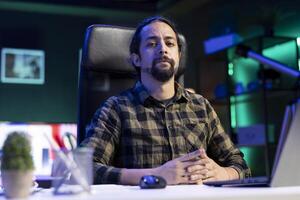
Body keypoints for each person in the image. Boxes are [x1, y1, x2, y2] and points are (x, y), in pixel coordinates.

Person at [81, 16, 251, 185]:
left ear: (179, 55)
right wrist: (155, 175)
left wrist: (222, 173)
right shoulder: (116, 108)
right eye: (152, 44)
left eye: (170, 43)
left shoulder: (201, 106)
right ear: (136, 59)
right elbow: (84, 169)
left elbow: (240, 165)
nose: (163, 49)